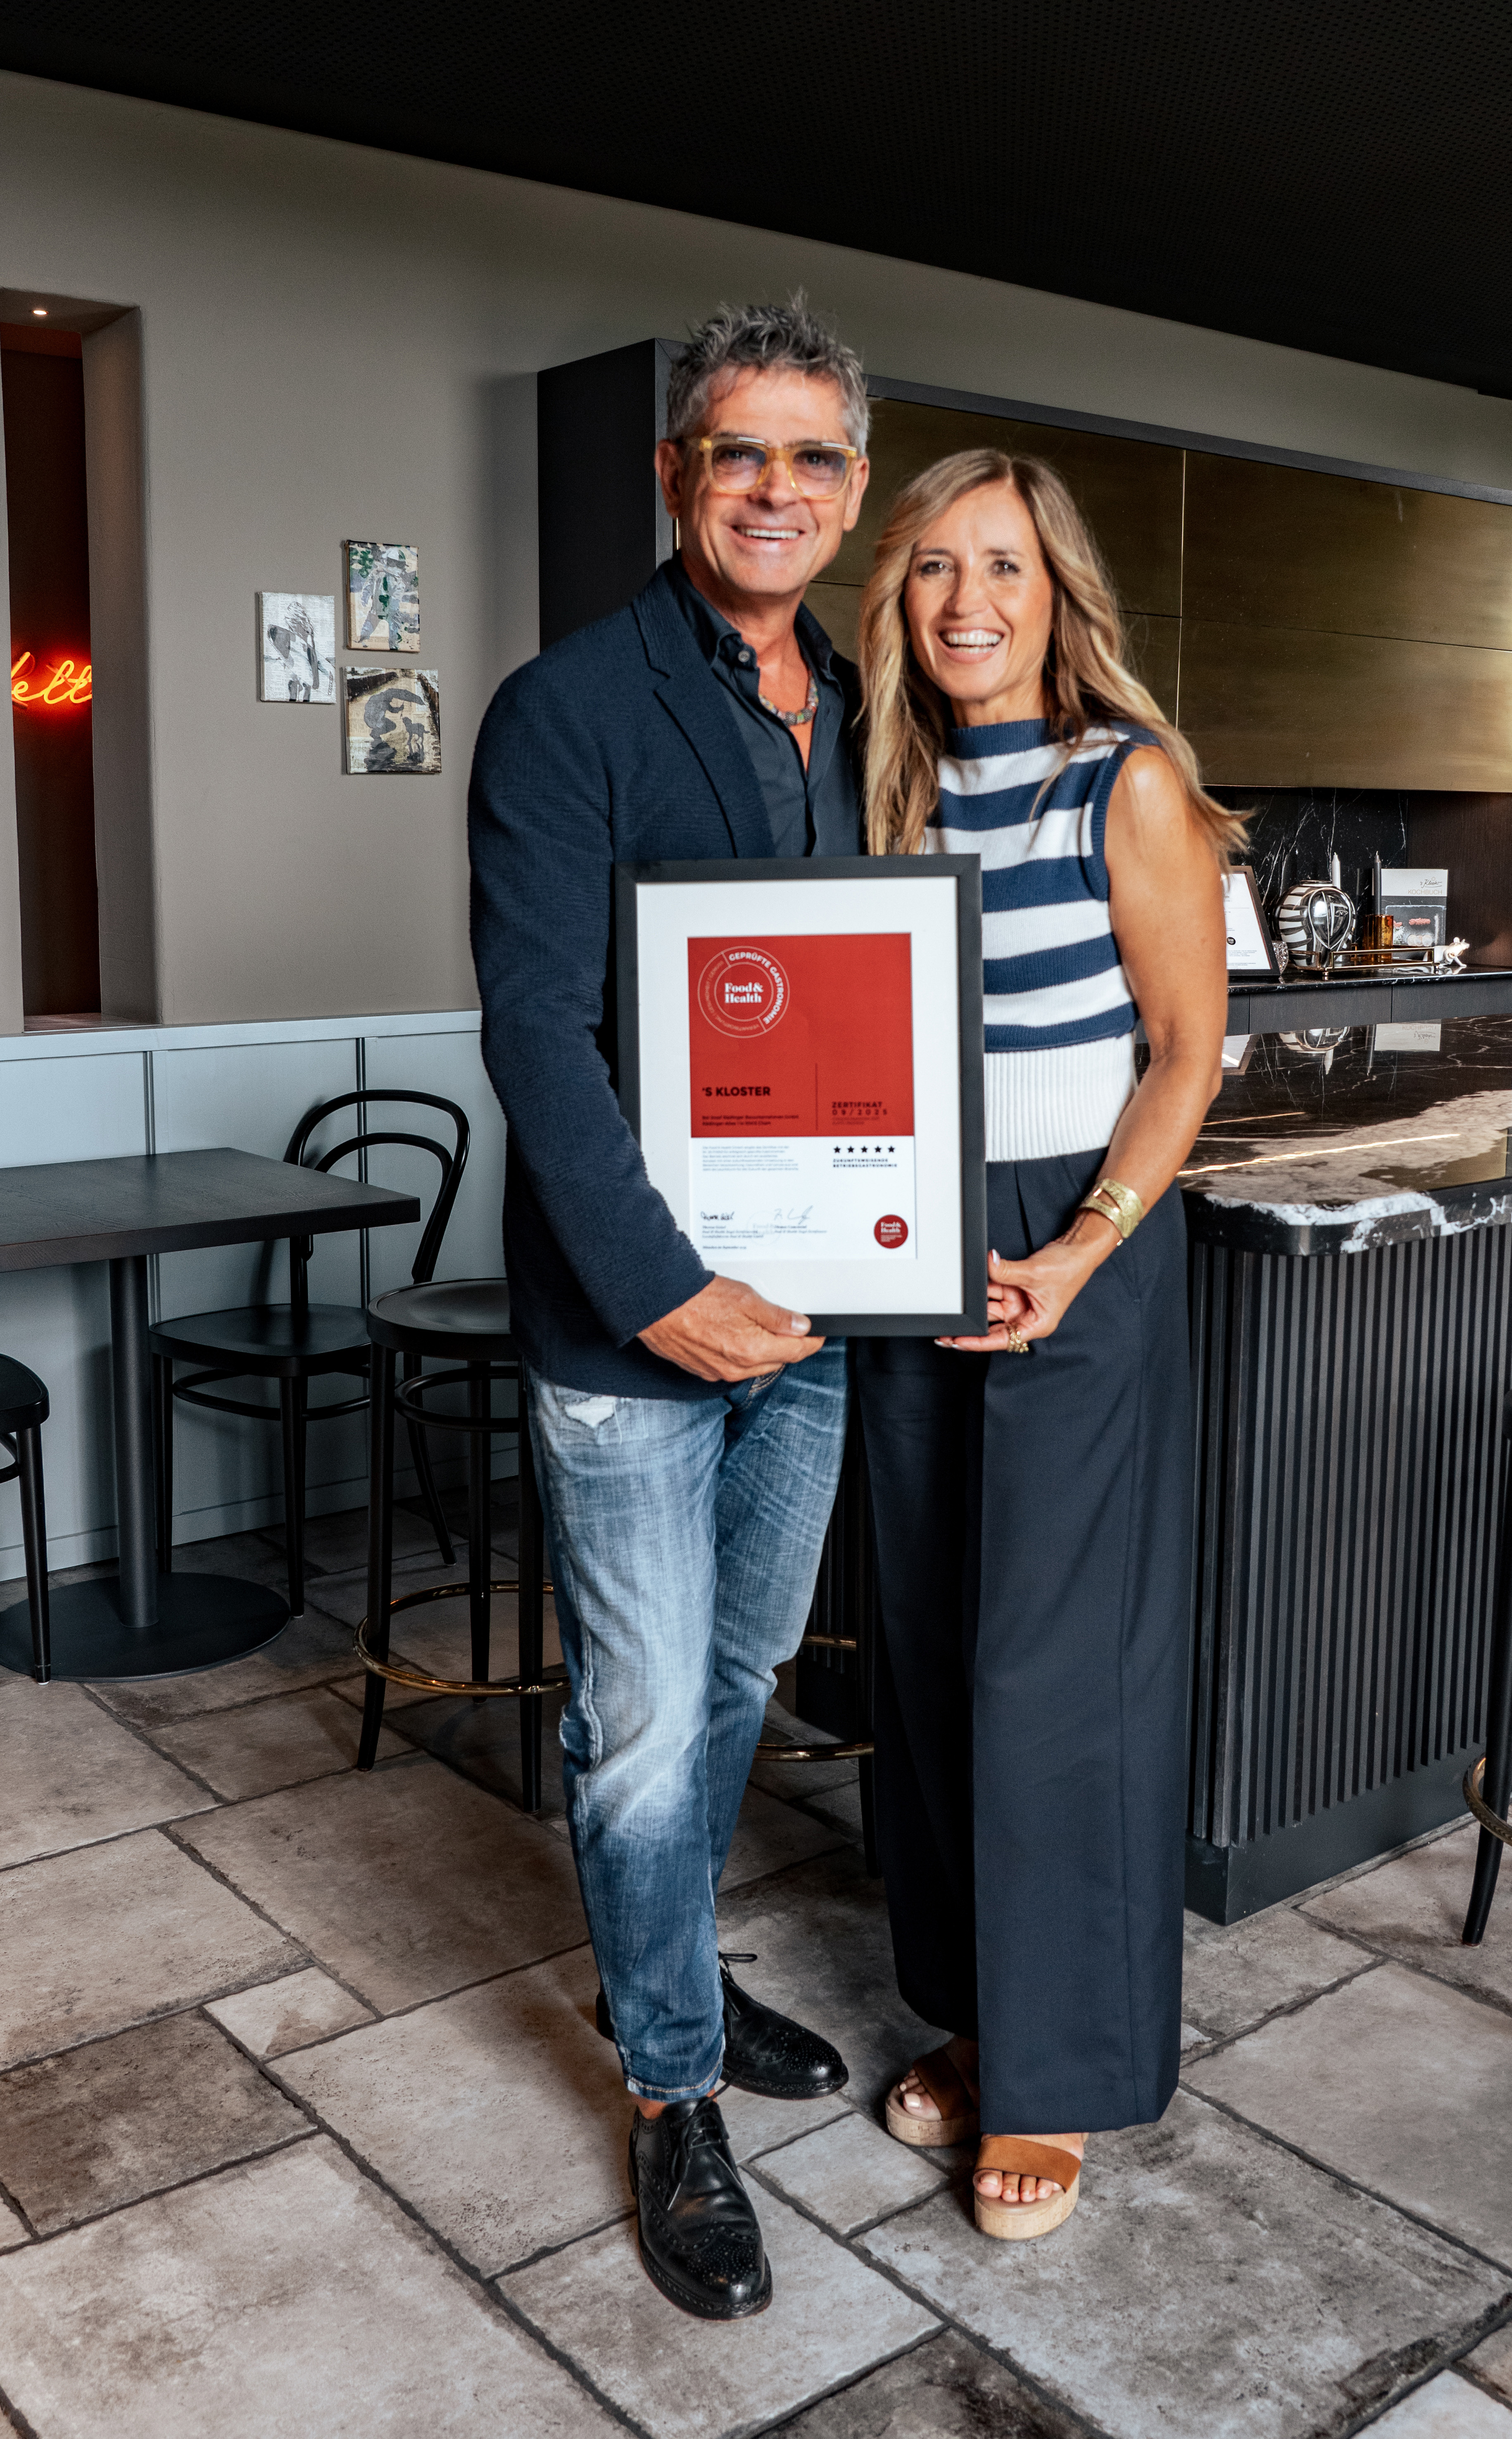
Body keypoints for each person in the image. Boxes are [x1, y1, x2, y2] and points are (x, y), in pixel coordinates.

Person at [468, 300, 872, 2320]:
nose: (776, 490)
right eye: (741, 453)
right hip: (633, 1332)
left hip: (819, 1329)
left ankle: (673, 1986)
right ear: (676, 475)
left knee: (735, 1697)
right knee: (636, 1733)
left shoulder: (863, 705)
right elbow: (537, 1035)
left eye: (813, 458)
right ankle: (674, 2087)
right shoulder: (571, 705)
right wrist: (663, 1291)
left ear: (852, 492)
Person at [853, 448, 1239, 2240]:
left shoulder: (1125, 783)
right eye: (933, 568)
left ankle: (1067, 2071)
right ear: (898, 596)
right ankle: (988, 2014)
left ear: (1055, 585)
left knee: (1053, 1669)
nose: (968, 604)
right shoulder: (888, 786)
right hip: (908, 1234)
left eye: (999, 566)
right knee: (928, 1641)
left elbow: (1184, 1051)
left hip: (1080, 1237)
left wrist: (1082, 1245)